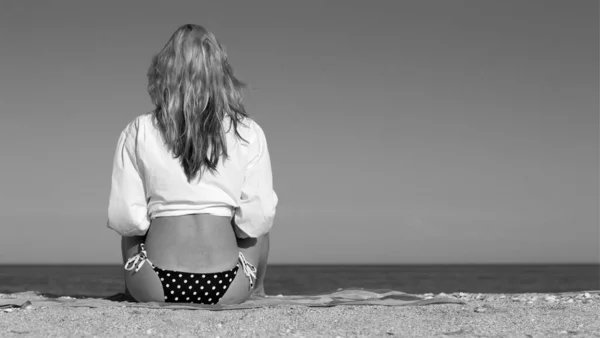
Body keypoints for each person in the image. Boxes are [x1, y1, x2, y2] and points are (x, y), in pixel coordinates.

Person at [106, 24, 278, 305]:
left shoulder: (139, 129)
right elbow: (255, 220)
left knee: (134, 229)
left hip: (155, 285)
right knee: (261, 219)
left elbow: (127, 219)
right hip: (230, 285)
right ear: (220, 74)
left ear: (165, 73)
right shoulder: (248, 131)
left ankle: (133, 286)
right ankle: (257, 291)